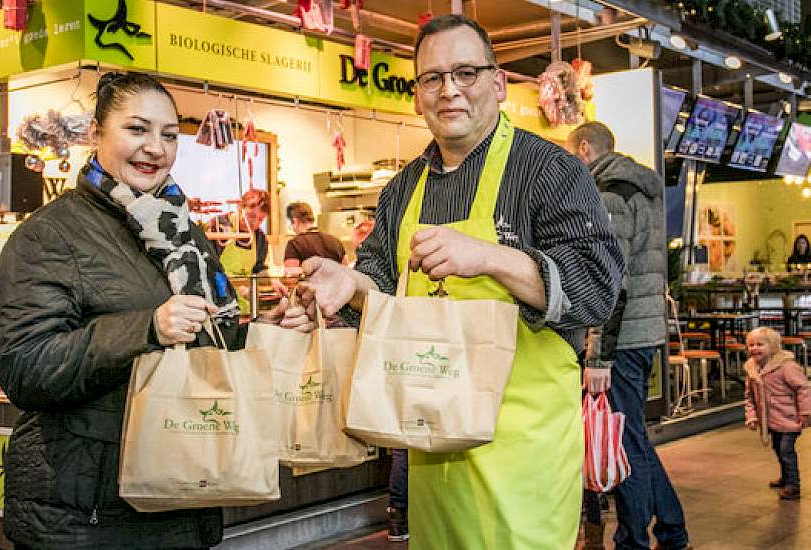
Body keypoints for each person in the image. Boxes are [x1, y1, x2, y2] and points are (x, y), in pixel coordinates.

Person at [298, 15, 623, 549]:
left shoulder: (550, 171)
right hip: (431, 453)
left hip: (521, 456)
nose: (449, 90)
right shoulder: (404, 187)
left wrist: (493, 258)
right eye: (433, 77)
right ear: (418, 94)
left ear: (497, 84)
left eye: (466, 73)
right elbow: (381, 278)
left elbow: (595, 289)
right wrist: (347, 283)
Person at [0, 72, 312, 550]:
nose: (155, 148)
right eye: (137, 129)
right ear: (96, 133)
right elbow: (25, 367)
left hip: (183, 492)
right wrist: (147, 327)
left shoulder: (181, 231)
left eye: (168, 135)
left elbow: (206, 343)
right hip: (87, 515)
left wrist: (262, 331)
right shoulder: (49, 235)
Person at [567, 121, 690, 550]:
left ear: (584, 149)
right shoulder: (641, 188)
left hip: (621, 339)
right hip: (642, 333)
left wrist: (598, 356)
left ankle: (632, 539)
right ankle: (672, 530)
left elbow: (609, 282)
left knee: (624, 440)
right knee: (633, 435)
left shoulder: (610, 193)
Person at [744, 326, 811, 500]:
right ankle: (786, 477)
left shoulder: (786, 367)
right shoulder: (752, 370)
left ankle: (793, 486)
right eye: (751, 345)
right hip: (771, 421)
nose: (755, 348)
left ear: (773, 346)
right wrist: (751, 416)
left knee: (786, 450)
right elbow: (749, 396)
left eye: (760, 344)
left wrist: (805, 412)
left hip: (790, 419)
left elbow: (803, 388)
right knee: (778, 448)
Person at [214, 188, 270, 276]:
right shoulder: (219, 227)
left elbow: (259, 268)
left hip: (246, 288)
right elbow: (206, 266)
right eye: (251, 216)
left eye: (260, 219)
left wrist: (271, 280)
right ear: (240, 208)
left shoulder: (260, 238)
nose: (254, 223)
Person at [283, 201, 345, 276]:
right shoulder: (336, 241)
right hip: (336, 287)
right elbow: (346, 272)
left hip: (310, 287)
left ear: (295, 221)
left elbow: (291, 275)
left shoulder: (294, 244)